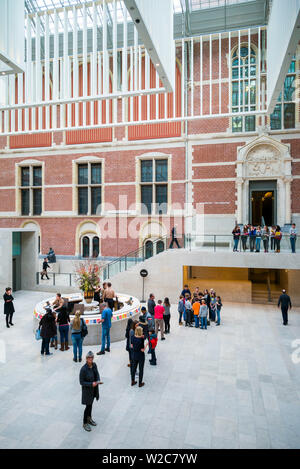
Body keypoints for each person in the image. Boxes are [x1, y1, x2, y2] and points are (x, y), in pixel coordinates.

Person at [79, 351, 102, 432]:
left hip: (94, 390)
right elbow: (81, 382)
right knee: (88, 406)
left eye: (92, 358)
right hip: (87, 391)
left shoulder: (94, 365)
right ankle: (85, 422)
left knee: (91, 405)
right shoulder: (83, 369)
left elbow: (97, 373)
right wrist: (91, 384)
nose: (90, 359)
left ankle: (89, 418)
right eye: (89, 358)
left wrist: (98, 380)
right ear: (86, 359)